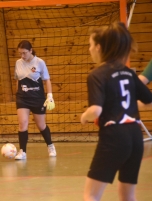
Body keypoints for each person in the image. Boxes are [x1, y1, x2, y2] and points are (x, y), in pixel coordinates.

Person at [80, 22, 152, 201]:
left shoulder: (97, 75)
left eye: (90, 45)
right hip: (136, 137)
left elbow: (96, 110)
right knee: (128, 196)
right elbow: (149, 102)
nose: (89, 50)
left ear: (99, 47)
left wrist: (84, 116)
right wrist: (125, 106)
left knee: (91, 195)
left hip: (114, 136)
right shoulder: (128, 73)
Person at [14, 40, 56, 160]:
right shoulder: (18, 63)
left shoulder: (40, 62)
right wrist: (17, 94)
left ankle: (50, 145)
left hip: (37, 98)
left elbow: (47, 79)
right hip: (23, 98)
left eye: (24, 53)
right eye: (20, 53)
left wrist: (50, 96)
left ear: (31, 51)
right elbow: (17, 80)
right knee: (22, 123)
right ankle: (22, 151)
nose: (22, 56)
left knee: (41, 125)